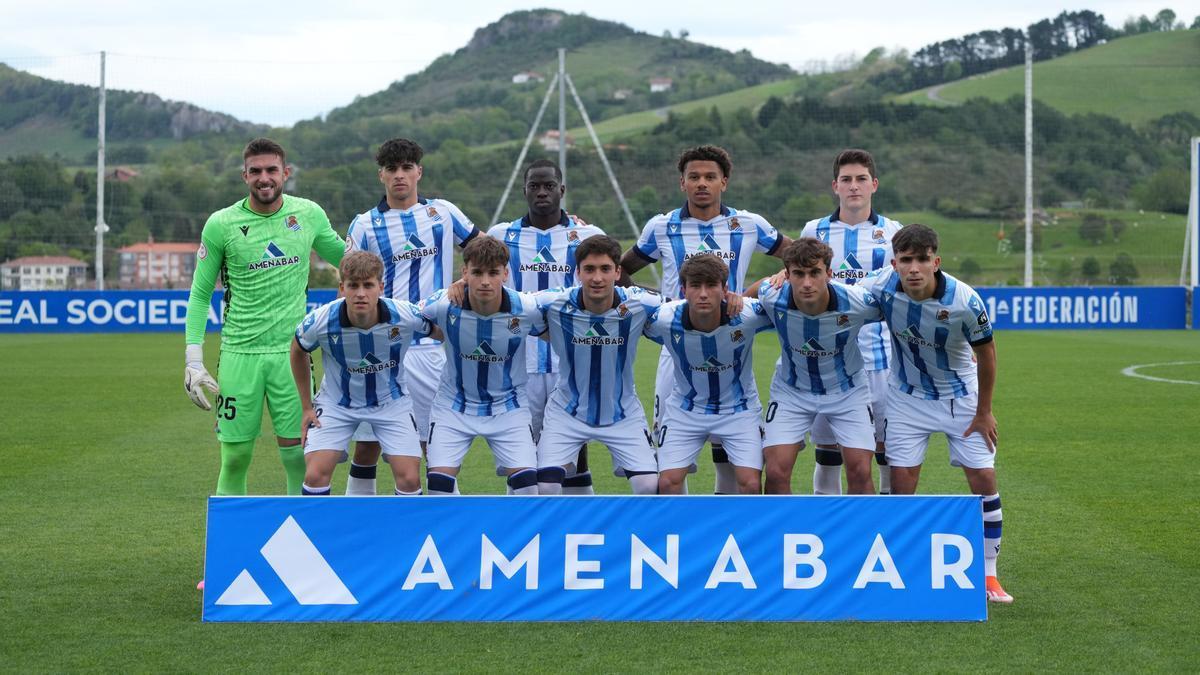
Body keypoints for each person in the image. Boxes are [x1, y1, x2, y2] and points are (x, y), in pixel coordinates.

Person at [619, 145, 790, 493]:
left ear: (724, 181)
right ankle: (679, 531)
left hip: (733, 346)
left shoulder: (748, 225)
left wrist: (772, 282)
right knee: (671, 459)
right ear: (682, 182)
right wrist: (655, 306)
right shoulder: (662, 226)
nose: (702, 183)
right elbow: (619, 271)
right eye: (694, 177)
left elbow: (801, 257)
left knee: (732, 452)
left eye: (710, 177)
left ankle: (723, 529)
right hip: (677, 347)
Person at [183, 137, 344, 497]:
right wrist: (193, 360)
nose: (264, 178)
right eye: (255, 171)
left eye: (272, 170)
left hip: (292, 356)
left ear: (286, 173)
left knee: (297, 457)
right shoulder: (221, 224)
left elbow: (350, 262)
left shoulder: (308, 214)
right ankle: (232, 546)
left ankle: (302, 549)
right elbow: (199, 293)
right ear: (244, 176)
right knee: (236, 457)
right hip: (240, 355)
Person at [860, 223, 1011, 604]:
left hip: (961, 400)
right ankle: (898, 568)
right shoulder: (881, 287)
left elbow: (988, 355)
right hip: (907, 399)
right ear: (894, 263)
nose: (914, 268)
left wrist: (984, 412)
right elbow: (838, 297)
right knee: (901, 483)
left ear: (936, 261)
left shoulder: (964, 300)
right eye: (906, 260)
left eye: (922, 260)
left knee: (984, 480)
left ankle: (990, 575)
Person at [342, 138, 481, 495]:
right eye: (392, 169)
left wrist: (465, 278)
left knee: (432, 442)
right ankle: (360, 525)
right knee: (369, 443)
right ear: (381, 176)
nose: (400, 176)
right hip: (382, 346)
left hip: (433, 346)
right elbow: (347, 283)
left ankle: (439, 523)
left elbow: (485, 249)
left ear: (419, 171)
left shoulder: (443, 213)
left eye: (407, 168)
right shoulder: (364, 225)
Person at [487, 159, 605, 494]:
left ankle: (579, 530)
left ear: (561, 190)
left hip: (569, 360)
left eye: (549, 186)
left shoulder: (586, 235)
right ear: (524, 190)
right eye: (535, 186)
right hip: (517, 363)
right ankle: (521, 530)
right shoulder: (502, 235)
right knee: (521, 454)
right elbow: (477, 273)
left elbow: (611, 282)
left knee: (573, 450)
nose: (541, 192)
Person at [290, 251, 440, 496]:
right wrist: (307, 406)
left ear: (380, 287)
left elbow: (441, 332)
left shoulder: (404, 315)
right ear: (342, 288)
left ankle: (404, 534)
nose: (361, 293)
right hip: (336, 403)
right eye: (353, 286)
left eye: (368, 285)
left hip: (392, 402)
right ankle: (322, 533)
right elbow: (297, 349)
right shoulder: (321, 320)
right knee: (315, 475)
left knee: (410, 479)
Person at [800, 149, 903, 495]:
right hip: (828, 360)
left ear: (874, 184)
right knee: (829, 451)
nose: (854, 187)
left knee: (884, 449)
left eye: (861, 179)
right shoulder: (814, 230)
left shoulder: (893, 232)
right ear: (835, 186)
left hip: (881, 359)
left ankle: (883, 526)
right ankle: (826, 529)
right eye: (846, 180)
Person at [532, 235, 661, 495]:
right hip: (566, 413)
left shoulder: (641, 303)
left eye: (605, 269)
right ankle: (560, 534)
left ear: (618, 272)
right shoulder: (554, 302)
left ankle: (631, 534)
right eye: (589, 269)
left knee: (648, 486)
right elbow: (508, 302)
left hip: (622, 412)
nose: (597, 278)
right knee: (545, 486)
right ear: (577, 272)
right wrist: (464, 285)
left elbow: (685, 308)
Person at [418, 236, 546, 496]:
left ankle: (512, 535)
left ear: (506, 274)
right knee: (438, 487)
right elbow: (406, 316)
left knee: (528, 488)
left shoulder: (527, 308)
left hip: (508, 406)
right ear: (464, 272)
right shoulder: (443, 304)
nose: (485, 281)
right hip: (453, 406)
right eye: (477, 273)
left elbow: (562, 319)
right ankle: (455, 535)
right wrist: (440, 332)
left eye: (493, 273)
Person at [756, 238, 883, 494]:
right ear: (787, 275)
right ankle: (783, 532)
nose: (806, 283)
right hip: (792, 390)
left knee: (860, 470)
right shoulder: (773, 296)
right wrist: (734, 300)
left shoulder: (858, 302)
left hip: (848, 390)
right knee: (776, 470)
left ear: (829, 273)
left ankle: (860, 532)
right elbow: (751, 296)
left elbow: (901, 311)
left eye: (814, 273)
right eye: (798, 274)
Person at [643, 254, 773, 495]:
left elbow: (777, 292)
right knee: (667, 482)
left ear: (725, 289)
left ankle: (744, 532)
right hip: (685, 410)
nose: (703, 294)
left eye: (711, 285)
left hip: (739, 409)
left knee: (751, 483)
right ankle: (679, 532)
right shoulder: (664, 319)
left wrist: (781, 275)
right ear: (683, 290)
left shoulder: (747, 315)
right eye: (695, 286)